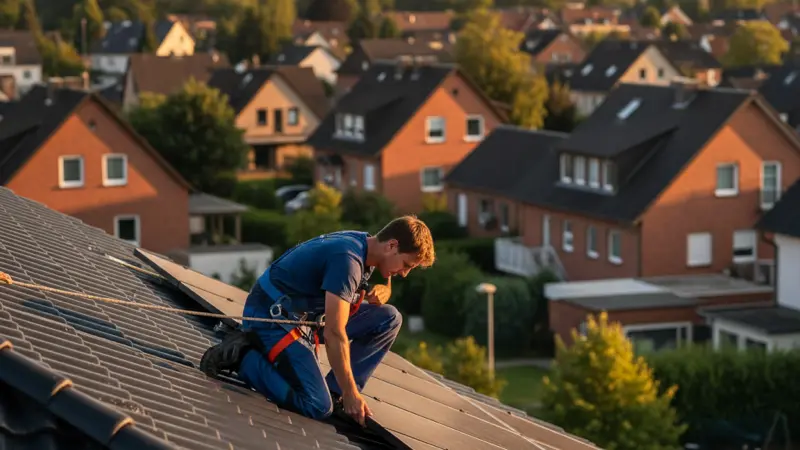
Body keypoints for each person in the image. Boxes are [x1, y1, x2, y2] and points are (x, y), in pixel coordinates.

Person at [200, 216, 435, 427]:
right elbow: (334, 333)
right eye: (406, 265)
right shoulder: (348, 260)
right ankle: (243, 357)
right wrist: (352, 391)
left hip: (301, 316)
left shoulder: (366, 245)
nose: (404, 273)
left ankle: (336, 393)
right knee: (316, 405)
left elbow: (375, 276)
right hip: (270, 317)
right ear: (392, 245)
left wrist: (384, 289)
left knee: (389, 318)